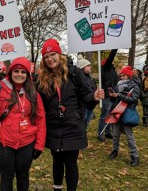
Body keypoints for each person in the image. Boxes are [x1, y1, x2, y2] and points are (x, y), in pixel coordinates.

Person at [36, 39, 104, 191]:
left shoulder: (74, 73)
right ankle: (57, 188)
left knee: (71, 163)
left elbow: (86, 96)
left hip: (72, 126)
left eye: (52, 54)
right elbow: (37, 102)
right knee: (57, 161)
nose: (50, 59)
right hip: (53, 127)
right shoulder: (42, 79)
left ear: (59, 55)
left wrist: (94, 97)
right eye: (46, 56)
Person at [0, 57, 46, 191]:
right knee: (6, 177)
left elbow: (40, 119)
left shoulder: (33, 92)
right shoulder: (0, 89)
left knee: (23, 176)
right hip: (4, 142)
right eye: (16, 71)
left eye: (23, 72)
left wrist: (39, 145)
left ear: (27, 75)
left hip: (27, 143)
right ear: (11, 72)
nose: (19, 75)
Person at [108, 66, 140, 166]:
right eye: (120, 75)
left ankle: (135, 156)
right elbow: (114, 100)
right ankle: (115, 150)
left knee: (129, 136)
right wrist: (112, 96)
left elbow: (133, 100)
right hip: (117, 112)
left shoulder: (134, 86)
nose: (121, 77)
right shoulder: (118, 85)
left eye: (123, 75)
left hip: (127, 113)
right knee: (115, 134)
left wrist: (119, 96)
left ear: (128, 76)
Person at [98, 49, 119, 142]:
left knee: (110, 115)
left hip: (113, 96)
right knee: (104, 115)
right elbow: (110, 58)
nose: (112, 61)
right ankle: (100, 133)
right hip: (106, 96)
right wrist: (115, 48)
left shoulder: (113, 72)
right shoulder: (105, 69)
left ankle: (108, 132)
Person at [77, 54, 98, 130]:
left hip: (91, 107)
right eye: (88, 65)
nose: (90, 67)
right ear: (82, 67)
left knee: (85, 127)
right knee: (81, 128)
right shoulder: (79, 79)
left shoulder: (90, 78)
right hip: (84, 108)